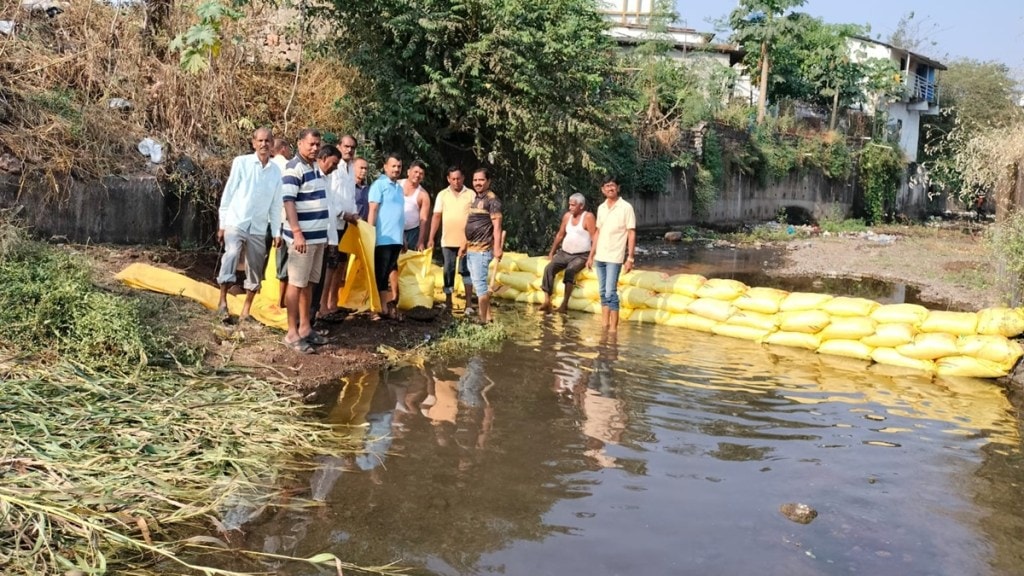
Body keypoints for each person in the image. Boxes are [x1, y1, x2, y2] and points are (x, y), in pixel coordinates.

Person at [215, 127, 283, 321]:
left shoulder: (275, 172)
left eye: (267, 141)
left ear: (272, 145)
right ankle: (222, 303)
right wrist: (223, 223)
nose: (263, 144)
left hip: (259, 227)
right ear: (253, 143)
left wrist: (276, 231)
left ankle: (246, 311)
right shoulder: (242, 163)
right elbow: (228, 193)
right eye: (260, 141)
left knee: (255, 266)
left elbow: (276, 204)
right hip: (236, 221)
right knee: (232, 254)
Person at [281, 129, 330, 353]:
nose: (315, 148)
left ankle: (305, 328)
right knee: (296, 284)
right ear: (300, 143)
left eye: (317, 144)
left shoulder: (314, 168)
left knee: (309, 284)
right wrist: (297, 231)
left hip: (318, 238)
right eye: (310, 144)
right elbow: (289, 202)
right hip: (303, 239)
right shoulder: (294, 168)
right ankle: (291, 333)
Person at [317, 135, 359, 322]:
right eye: (346, 146)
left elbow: (349, 196)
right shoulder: (334, 168)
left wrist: (354, 214)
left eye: (352, 147)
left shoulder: (351, 168)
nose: (349, 150)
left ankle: (333, 303)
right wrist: (343, 214)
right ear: (339, 146)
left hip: (345, 224)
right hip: (331, 223)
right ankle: (322, 306)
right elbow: (330, 197)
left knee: (339, 265)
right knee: (329, 265)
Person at [586, 175, 636, 333]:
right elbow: (597, 232)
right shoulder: (601, 208)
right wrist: (591, 255)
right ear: (602, 190)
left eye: (612, 185)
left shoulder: (626, 207)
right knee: (602, 292)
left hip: (615, 257)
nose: (610, 188)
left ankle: (613, 329)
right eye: (606, 186)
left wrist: (630, 258)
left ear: (618, 188)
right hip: (600, 256)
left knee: (610, 292)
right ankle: (604, 325)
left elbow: (631, 233)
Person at [427, 166, 475, 311]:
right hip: (447, 241)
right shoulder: (442, 195)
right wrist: (431, 238)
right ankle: (448, 302)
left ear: (463, 178)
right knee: (448, 271)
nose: (456, 182)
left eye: (458, 178)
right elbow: (436, 216)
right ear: (448, 179)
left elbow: (475, 218)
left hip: (467, 242)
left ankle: (469, 304)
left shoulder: (471, 194)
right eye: (453, 179)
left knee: (467, 271)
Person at [458, 167, 503, 324]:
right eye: (475, 180)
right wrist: (464, 244)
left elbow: (497, 227)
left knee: (480, 285)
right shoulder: (476, 199)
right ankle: (489, 317)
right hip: (471, 248)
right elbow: (471, 223)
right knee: (479, 284)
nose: (478, 183)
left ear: (488, 181)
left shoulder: (493, 201)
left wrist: (497, 248)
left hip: (482, 250)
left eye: (481, 180)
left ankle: (482, 319)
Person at [539, 192, 596, 314]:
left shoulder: (588, 217)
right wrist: (551, 252)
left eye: (573, 205)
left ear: (581, 206)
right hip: (565, 253)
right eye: (569, 205)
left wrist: (592, 257)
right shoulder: (567, 216)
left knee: (570, 271)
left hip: (581, 255)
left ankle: (564, 304)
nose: (570, 208)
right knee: (549, 268)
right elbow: (560, 234)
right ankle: (547, 301)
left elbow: (594, 237)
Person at [367, 153, 405, 320]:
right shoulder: (379, 185)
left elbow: (399, 214)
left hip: (395, 238)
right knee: (379, 274)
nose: (396, 169)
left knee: (388, 272)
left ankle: (384, 307)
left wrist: (402, 236)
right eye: (393, 166)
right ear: (385, 167)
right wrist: (370, 232)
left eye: (399, 166)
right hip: (382, 238)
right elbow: (373, 210)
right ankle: (375, 308)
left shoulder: (399, 188)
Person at [271, 137, 293, 307]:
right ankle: (282, 301)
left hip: (267, 219)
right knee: (286, 261)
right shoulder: (289, 166)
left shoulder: (268, 166)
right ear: (284, 149)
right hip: (285, 219)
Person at [400, 160, 431, 251]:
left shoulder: (423, 195)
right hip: (395, 228)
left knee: (409, 260)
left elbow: (423, 219)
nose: (417, 175)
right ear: (408, 172)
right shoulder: (397, 185)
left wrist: (421, 241)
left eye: (421, 173)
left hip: (412, 232)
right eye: (416, 172)